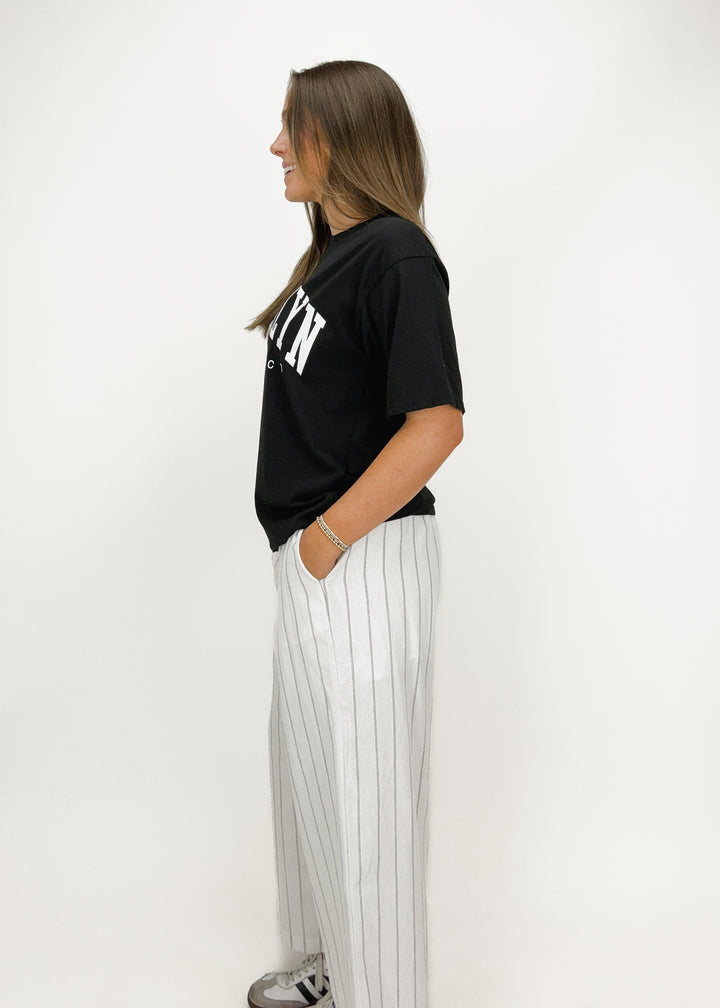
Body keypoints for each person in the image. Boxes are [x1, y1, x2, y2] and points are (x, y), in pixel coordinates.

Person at [246, 60, 465, 1008]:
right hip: (318, 562)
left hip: (361, 557)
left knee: (366, 804)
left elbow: (437, 423)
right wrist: (307, 555)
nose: (276, 146)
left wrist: (328, 540)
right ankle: (333, 966)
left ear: (339, 136)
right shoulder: (334, 257)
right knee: (313, 783)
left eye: (291, 126)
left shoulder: (397, 254)